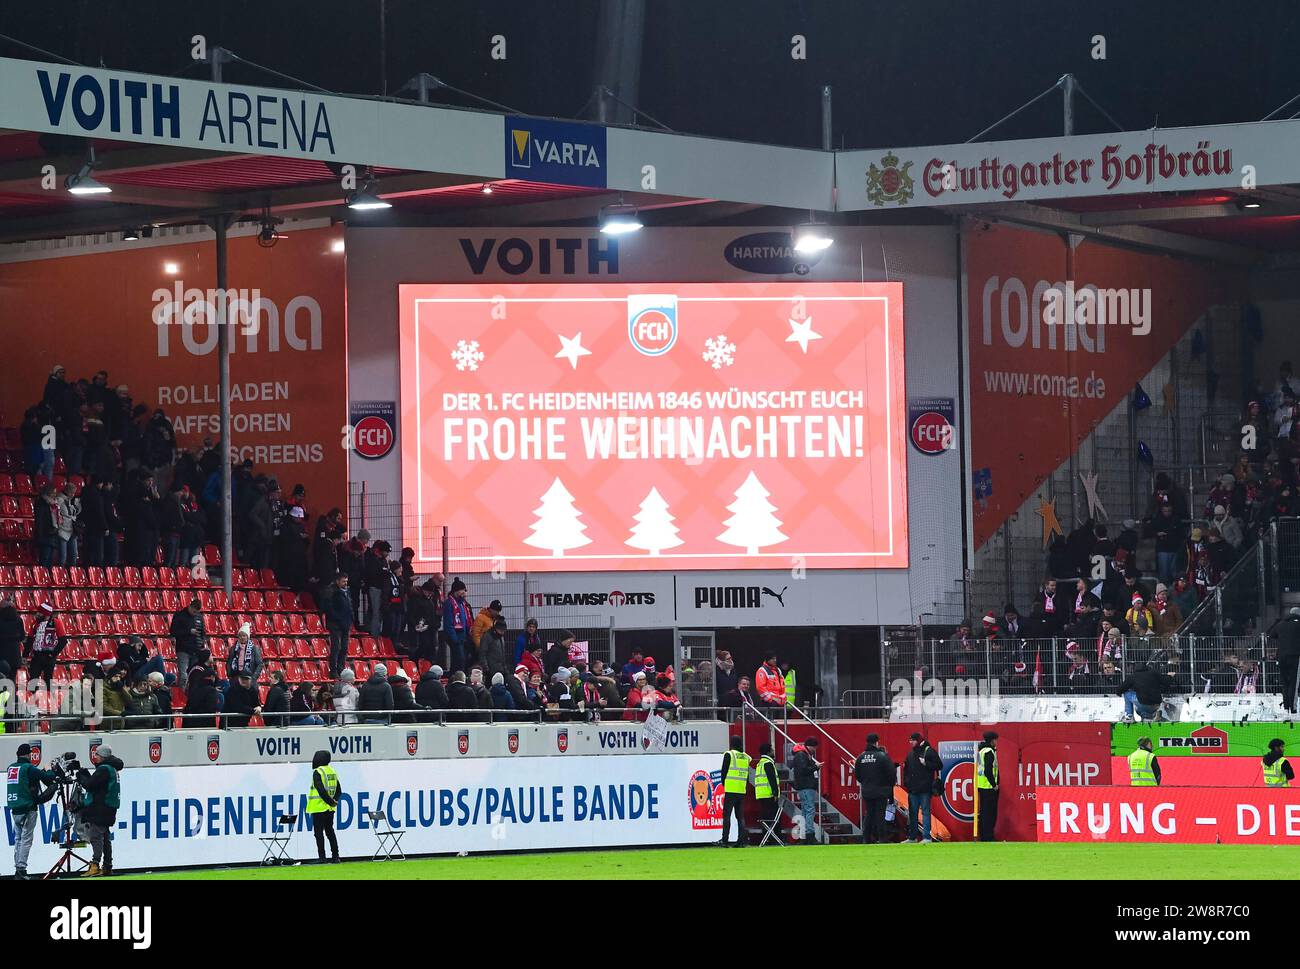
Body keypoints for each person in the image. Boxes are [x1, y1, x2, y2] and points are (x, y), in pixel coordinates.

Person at [7, 744, 55, 879]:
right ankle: (21, 869)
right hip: (27, 808)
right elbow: (48, 778)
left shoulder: (11, 767)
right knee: (26, 839)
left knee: (18, 839)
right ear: (29, 755)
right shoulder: (29, 768)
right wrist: (48, 769)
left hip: (15, 809)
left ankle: (18, 868)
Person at [77, 745, 124, 877]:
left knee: (96, 837)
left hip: (100, 808)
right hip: (109, 807)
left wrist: (81, 776)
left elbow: (90, 785)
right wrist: (86, 774)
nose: (94, 756)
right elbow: (96, 783)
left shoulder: (104, 769)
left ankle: (95, 865)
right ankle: (107, 866)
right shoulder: (112, 768)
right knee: (105, 837)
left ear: (102, 756)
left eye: (97, 754)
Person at [855, 733, 895, 844]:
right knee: (880, 815)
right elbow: (891, 773)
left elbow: (857, 775)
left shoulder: (861, 757)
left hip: (867, 790)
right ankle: (882, 838)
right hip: (881, 790)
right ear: (877, 742)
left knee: (869, 814)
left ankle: (866, 838)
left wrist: (866, 783)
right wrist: (889, 786)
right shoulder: (882, 756)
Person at [902, 733, 942, 843]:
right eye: (910, 740)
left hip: (925, 788)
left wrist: (926, 763)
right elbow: (906, 770)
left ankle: (926, 837)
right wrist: (907, 783)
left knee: (925, 812)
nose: (911, 742)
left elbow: (939, 765)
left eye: (913, 740)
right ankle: (912, 837)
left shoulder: (929, 751)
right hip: (913, 789)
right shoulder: (910, 754)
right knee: (913, 814)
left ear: (918, 740)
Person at [306, 750, 341, 864]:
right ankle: (336, 857)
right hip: (330, 809)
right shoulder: (332, 771)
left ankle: (322, 857)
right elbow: (339, 789)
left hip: (319, 808)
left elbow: (320, 789)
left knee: (319, 833)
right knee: (330, 832)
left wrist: (330, 801)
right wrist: (334, 801)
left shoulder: (318, 772)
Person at [23, 601, 66, 686]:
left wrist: (53, 654)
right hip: (37, 656)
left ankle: (49, 698)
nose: (37, 614)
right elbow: (30, 640)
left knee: (48, 680)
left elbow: (63, 640)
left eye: (40, 612)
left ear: (46, 613)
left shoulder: (56, 623)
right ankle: (33, 697)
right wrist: (25, 655)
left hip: (49, 657)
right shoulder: (35, 623)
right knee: (33, 681)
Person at [718, 736, 750, 848]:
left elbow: (724, 771)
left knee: (726, 815)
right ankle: (741, 841)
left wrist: (724, 783)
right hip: (741, 789)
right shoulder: (746, 757)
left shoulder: (729, 754)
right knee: (740, 816)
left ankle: (725, 840)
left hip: (731, 789)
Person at [321, 573, 355, 678]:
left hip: (346, 624)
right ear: (337, 581)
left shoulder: (347, 591)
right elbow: (327, 608)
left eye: (346, 581)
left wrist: (351, 618)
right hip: (335, 624)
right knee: (336, 648)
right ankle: (333, 671)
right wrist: (337, 617)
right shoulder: (330, 591)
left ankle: (341, 669)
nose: (346, 583)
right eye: (344, 581)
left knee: (344, 648)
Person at [790, 737, 822, 845]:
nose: (815, 750)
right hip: (806, 786)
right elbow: (804, 770)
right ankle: (809, 835)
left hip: (803, 786)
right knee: (809, 810)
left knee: (805, 811)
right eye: (814, 747)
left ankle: (804, 836)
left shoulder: (800, 755)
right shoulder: (802, 755)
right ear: (810, 746)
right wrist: (815, 767)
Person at [169, 597, 206, 687]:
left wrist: (202, 642)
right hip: (183, 649)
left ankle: (190, 694)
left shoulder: (199, 617)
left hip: (196, 650)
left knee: (194, 675)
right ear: (190, 606)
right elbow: (173, 631)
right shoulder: (179, 615)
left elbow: (202, 632)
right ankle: (181, 695)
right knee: (183, 675)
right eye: (194, 611)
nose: (195, 613)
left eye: (197, 612)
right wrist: (189, 631)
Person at [442, 578, 472, 672]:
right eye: (462, 590)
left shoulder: (462, 603)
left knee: (462, 661)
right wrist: (454, 639)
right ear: (457, 591)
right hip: (456, 638)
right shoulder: (449, 603)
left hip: (463, 637)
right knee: (459, 662)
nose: (464, 593)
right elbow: (448, 623)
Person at [975, 731, 1000, 842]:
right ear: (992, 740)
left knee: (984, 813)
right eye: (995, 740)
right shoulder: (989, 752)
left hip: (982, 786)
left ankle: (984, 836)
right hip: (989, 787)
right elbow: (988, 771)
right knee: (990, 814)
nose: (996, 742)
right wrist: (994, 785)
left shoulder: (981, 751)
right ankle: (988, 837)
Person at [753, 742, 780, 842]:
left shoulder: (760, 763)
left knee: (766, 818)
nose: (773, 751)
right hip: (769, 795)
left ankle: (767, 838)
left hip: (761, 794)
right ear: (768, 752)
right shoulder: (768, 763)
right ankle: (774, 838)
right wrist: (775, 793)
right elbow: (772, 779)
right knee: (773, 818)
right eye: (772, 750)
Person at [1276, 607, 1300, 713]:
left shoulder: (1281, 624)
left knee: (1285, 683)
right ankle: (1293, 709)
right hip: (1295, 656)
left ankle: (1286, 708)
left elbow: (1271, 634)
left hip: (1281, 657)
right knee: (1293, 683)